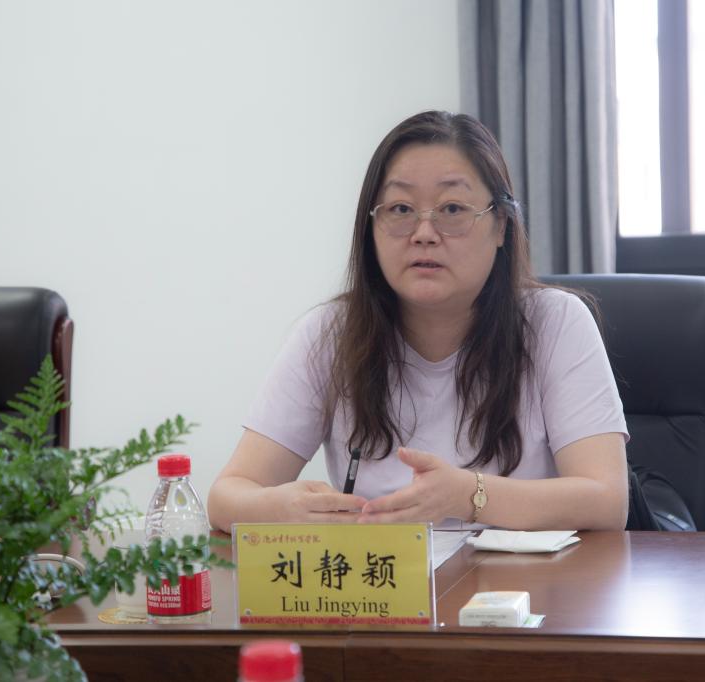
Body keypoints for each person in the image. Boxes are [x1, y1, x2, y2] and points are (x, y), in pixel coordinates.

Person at [208, 111, 628, 533]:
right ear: (371, 227)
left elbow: (607, 501)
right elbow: (227, 496)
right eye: (401, 209)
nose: (424, 232)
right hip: (386, 576)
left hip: (532, 577)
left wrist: (466, 494)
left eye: (452, 208)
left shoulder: (555, 323)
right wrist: (279, 508)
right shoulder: (331, 334)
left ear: (501, 225)